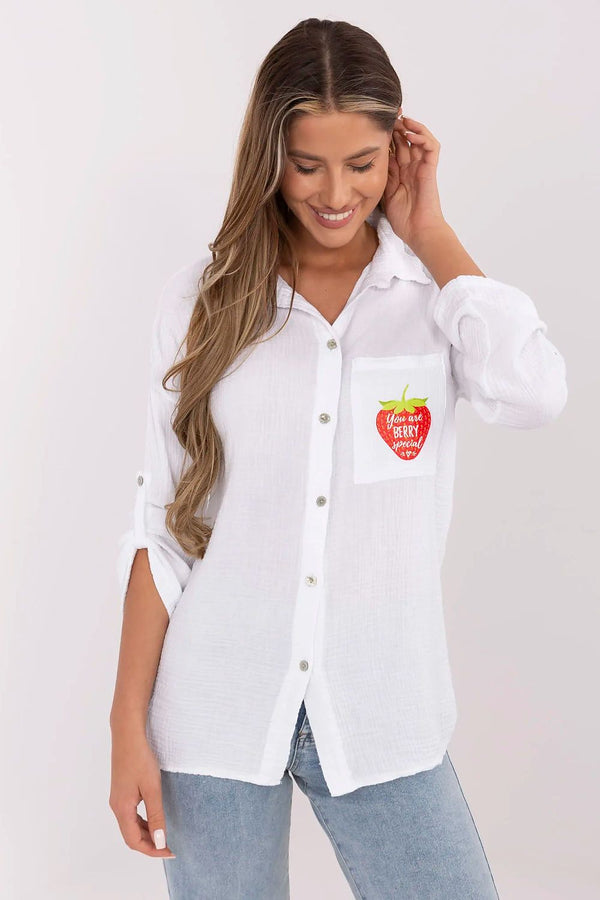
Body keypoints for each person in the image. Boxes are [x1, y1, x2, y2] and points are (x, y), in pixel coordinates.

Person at [109, 17, 567, 899]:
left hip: (383, 706)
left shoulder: (435, 299)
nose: (334, 193)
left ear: (398, 151)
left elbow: (535, 395)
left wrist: (433, 233)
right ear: (269, 156)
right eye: (306, 164)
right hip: (215, 706)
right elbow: (162, 527)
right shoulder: (203, 300)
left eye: (361, 164)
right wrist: (127, 727)